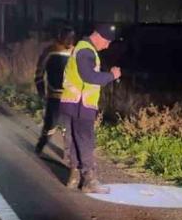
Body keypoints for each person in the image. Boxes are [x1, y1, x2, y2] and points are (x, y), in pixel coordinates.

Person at [59, 23, 122, 193]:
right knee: (86, 141)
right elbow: (89, 77)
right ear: (98, 36)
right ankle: (89, 181)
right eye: (107, 42)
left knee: (74, 140)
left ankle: (74, 178)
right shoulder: (86, 51)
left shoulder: (81, 48)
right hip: (82, 104)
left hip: (70, 103)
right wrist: (112, 75)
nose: (107, 46)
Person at [34, 25, 76, 155]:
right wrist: (41, 91)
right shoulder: (50, 51)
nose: (69, 40)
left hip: (71, 97)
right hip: (54, 96)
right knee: (50, 125)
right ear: (60, 37)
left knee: (69, 127)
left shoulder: (76, 52)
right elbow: (39, 73)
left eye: (72, 38)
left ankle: (68, 155)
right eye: (67, 37)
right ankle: (41, 145)